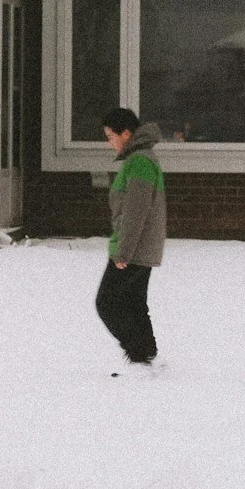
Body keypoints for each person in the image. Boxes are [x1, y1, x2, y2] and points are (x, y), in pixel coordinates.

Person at [97, 106, 165, 370]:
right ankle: (146, 356)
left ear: (126, 133)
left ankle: (139, 355)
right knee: (134, 303)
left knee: (107, 303)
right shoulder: (142, 159)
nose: (109, 143)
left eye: (110, 136)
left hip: (133, 248)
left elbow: (136, 211)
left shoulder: (139, 162)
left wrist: (123, 251)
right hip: (140, 246)